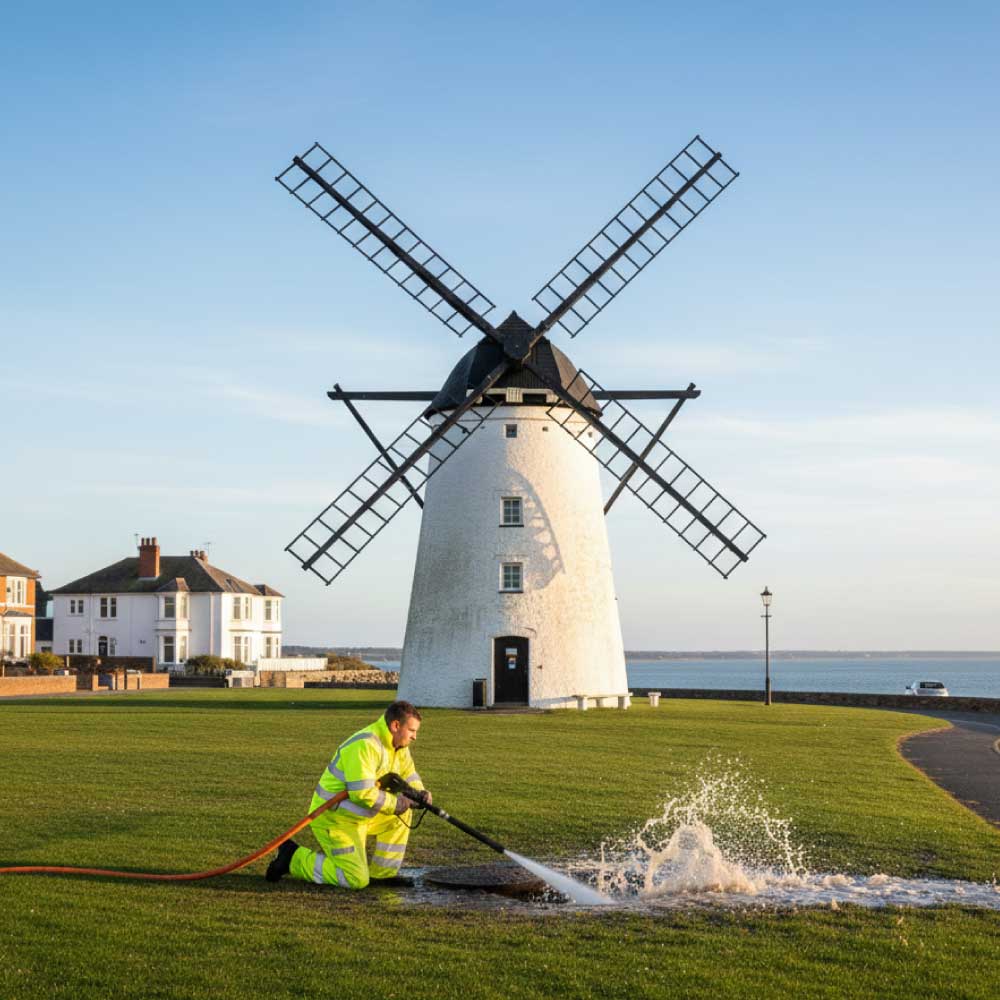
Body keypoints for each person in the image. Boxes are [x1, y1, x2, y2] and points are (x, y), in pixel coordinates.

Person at [266, 700, 431, 889]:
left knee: (402, 815)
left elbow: (408, 773)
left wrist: (419, 792)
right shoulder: (366, 744)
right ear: (395, 725)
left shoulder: (397, 746)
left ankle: (383, 876)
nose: (415, 737)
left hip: (359, 815)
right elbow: (362, 793)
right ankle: (293, 858)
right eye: (412, 730)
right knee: (355, 879)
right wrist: (396, 804)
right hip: (335, 818)